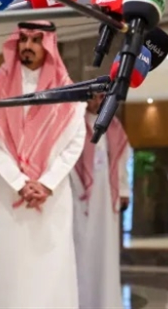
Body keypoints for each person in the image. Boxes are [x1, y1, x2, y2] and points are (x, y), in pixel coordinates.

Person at [0, 21, 86, 309]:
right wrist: (19, 182)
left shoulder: (67, 91)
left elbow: (75, 141)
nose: (27, 46)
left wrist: (46, 183)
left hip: (51, 198)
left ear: (48, 45)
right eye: (23, 39)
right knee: (5, 268)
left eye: (36, 40)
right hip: (7, 193)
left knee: (50, 271)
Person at [71, 91, 132, 309]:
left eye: (102, 97)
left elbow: (123, 159)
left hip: (107, 195)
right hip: (80, 196)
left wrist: (123, 190)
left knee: (105, 250)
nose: (98, 101)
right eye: (94, 97)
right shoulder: (75, 123)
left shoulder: (113, 126)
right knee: (82, 248)